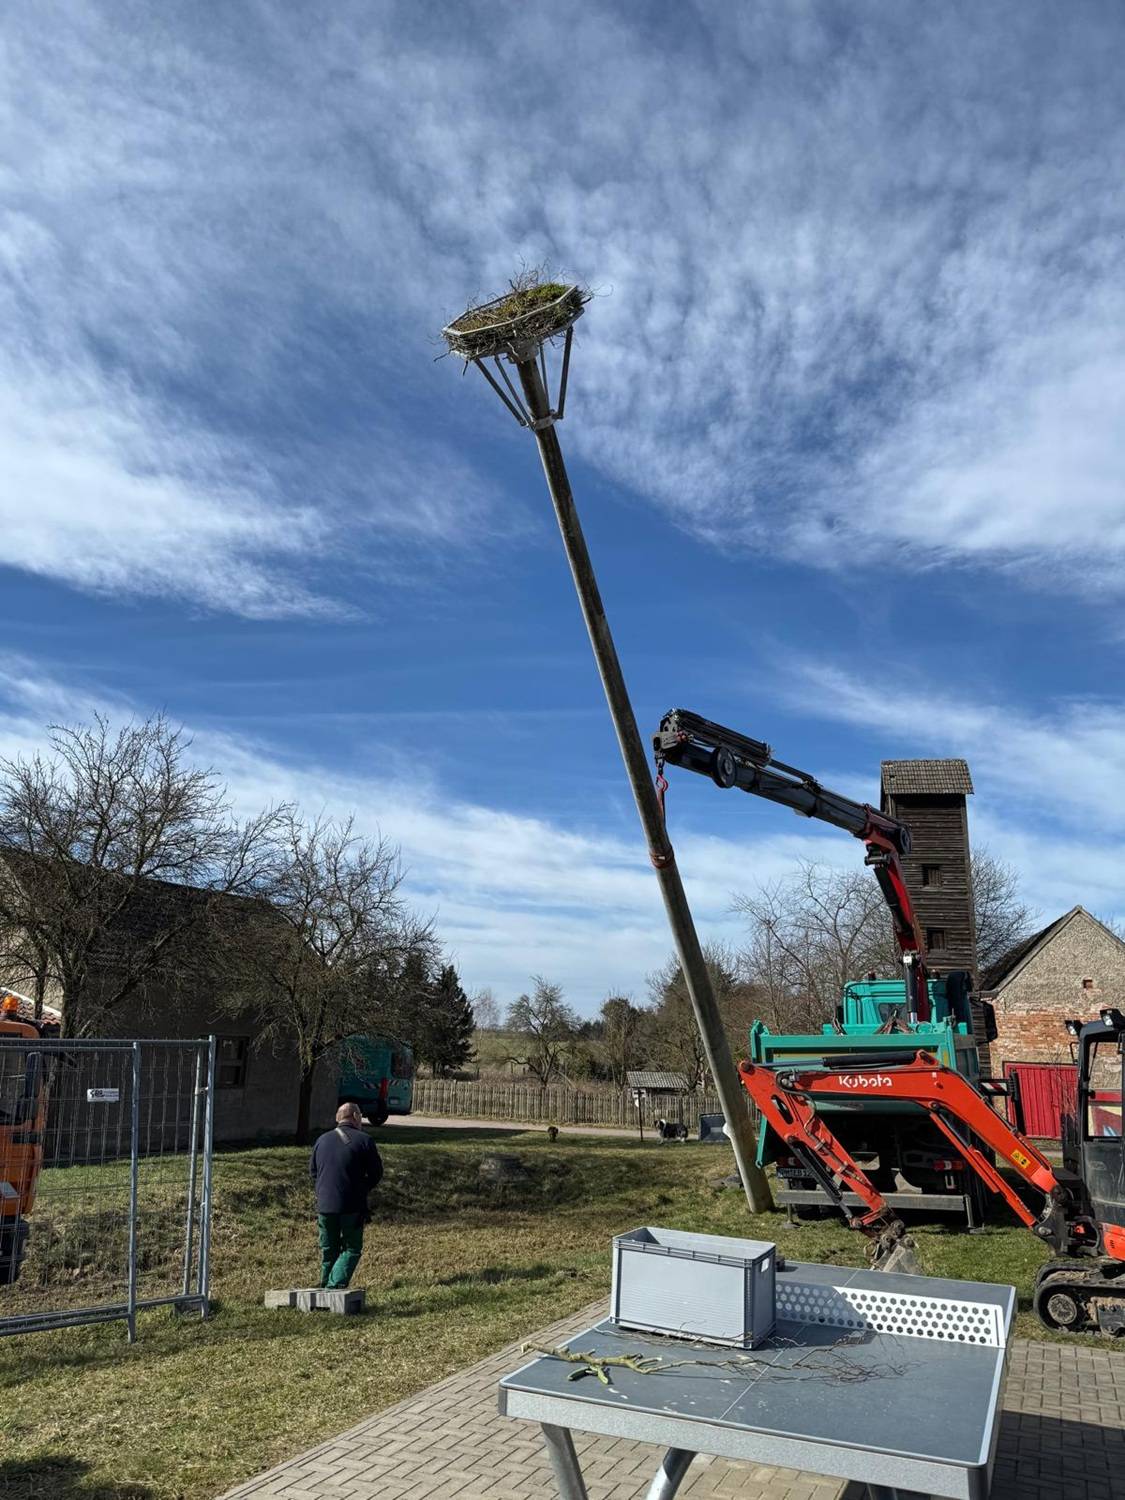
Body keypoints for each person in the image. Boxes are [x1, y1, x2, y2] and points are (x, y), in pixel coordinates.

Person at [309, 1102, 384, 1289]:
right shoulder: (364, 1140)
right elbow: (376, 1173)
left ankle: (325, 1284)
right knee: (351, 1248)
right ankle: (334, 1286)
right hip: (352, 1205)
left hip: (325, 1205)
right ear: (356, 1117)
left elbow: (313, 1172)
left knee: (328, 1248)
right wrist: (361, 1188)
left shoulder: (321, 1140)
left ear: (338, 1118)